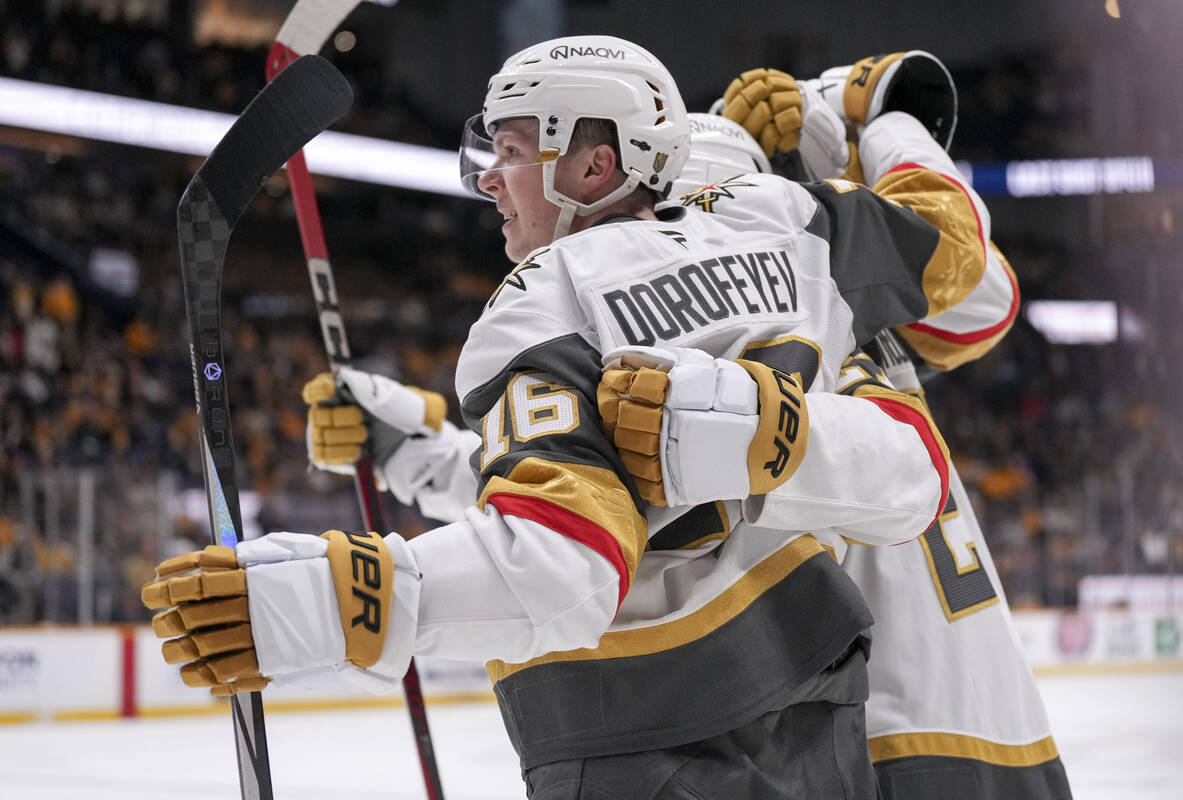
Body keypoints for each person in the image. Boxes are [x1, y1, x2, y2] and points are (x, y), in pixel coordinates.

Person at [144, 36, 987, 798]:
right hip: (819, 699)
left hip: (640, 736)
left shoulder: (545, 296)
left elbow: (564, 560)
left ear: (593, 165)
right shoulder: (790, 224)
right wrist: (875, 114)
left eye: (508, 151)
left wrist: (333, 597)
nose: (485, 179)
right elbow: (956, 253)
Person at [630, 58, 1072, 799]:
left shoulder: (703, 324)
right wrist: (852, 127)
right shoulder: (850, 306)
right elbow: (985, 295)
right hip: (997, 713)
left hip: (863, 734)